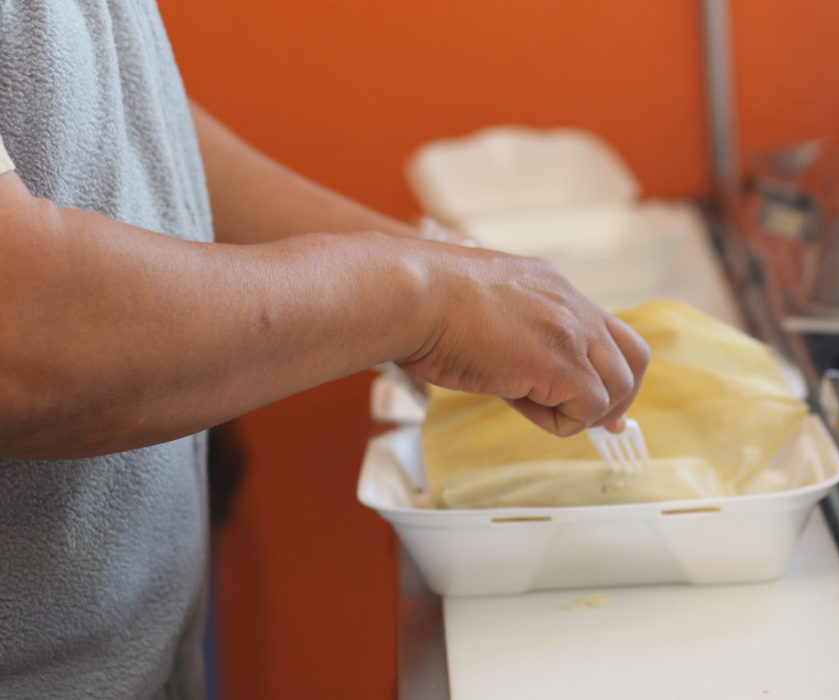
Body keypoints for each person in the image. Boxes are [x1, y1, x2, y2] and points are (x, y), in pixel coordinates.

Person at [0, 1, 649, 698]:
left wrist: (466, 282)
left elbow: (116, 103)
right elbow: (24, 339)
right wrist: (423, 298)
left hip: (135, 641)